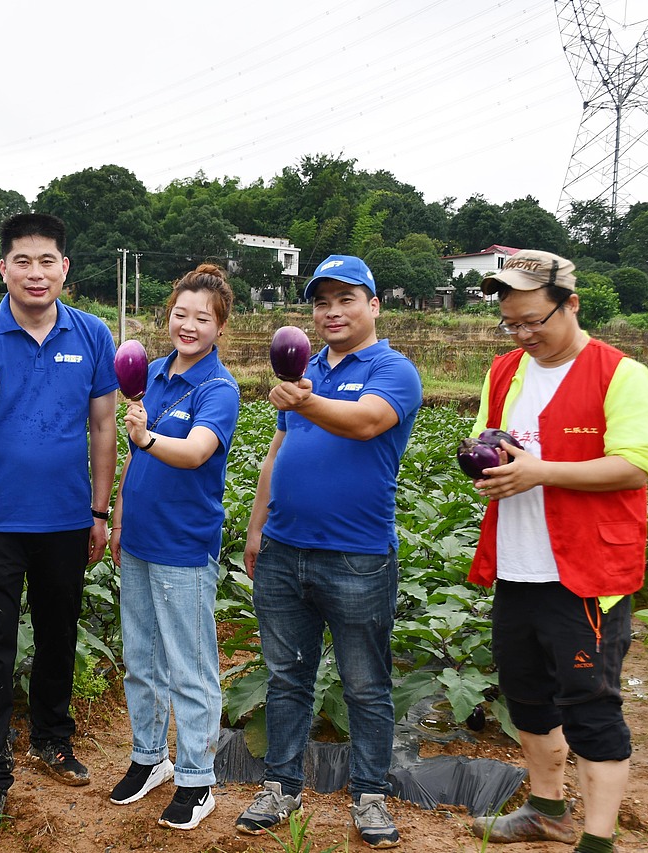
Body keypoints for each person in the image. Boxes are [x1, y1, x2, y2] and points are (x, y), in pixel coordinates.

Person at [465, 251, 648, 853]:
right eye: (512, 324)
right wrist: (484, 463)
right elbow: (487, 438)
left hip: (584, 574)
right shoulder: (505, 371)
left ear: (570, 304)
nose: (524, 335)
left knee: (590, 707)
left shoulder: (621, 374)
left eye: (534, 321)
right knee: (526, 696)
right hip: (518, 568)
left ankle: (597, 841)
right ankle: (547, 809)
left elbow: (633, 465)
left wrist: (542, 471)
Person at [0, 212, 118, 840]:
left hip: (66, 517)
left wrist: (100, 509)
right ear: (4, 268)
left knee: (58, 632)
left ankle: (51, 736)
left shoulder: (92, 334)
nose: (36, 273)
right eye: (23, 261)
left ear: (64, 269)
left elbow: (101, 426)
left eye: (48, 262)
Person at [235, 255, 422, 849]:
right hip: (284, 551)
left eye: (347, 299)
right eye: (322, 302)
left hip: (357, 555)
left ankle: (369, 794)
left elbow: (367, 423)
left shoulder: (393, 369)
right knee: (286, 678)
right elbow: (275, 454)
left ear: (374, 305)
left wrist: (302, 401)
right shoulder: (306, 366)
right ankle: (280, 786)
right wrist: (256, 527)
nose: (333, 311)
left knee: (366, 683)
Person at [107, 264, 240, 831]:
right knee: (141, 659)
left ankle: (196, 779)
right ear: (169, 315)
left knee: (190, 668)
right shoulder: (152, 374)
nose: (189, 325)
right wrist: (115, 519)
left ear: (219, 326)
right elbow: (134, 464)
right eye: (180, 314)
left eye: (202, 318)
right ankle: (148, 757)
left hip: (184, 545)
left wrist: (147, 437)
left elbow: (195, 453)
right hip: (137, 539)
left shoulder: (219, 388)